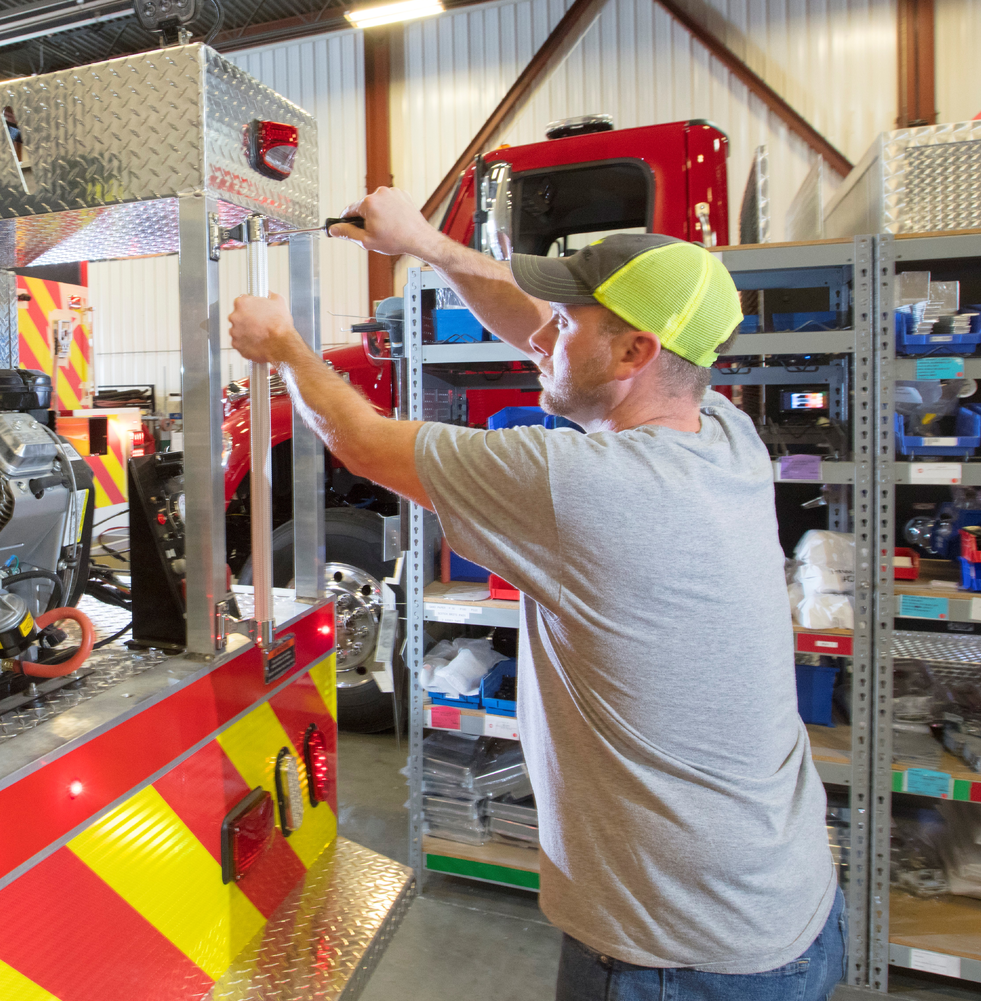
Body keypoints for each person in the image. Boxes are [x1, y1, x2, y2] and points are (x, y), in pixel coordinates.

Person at [227, 186, 840, 1001]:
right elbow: (543, 333)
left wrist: (283, 349)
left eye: (566, 323)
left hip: (675, 952)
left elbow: (366, 444)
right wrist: (428, 245)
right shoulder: (725, 434)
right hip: (786, 903)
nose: (540, 336)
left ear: (634, 352)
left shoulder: (584, 484)